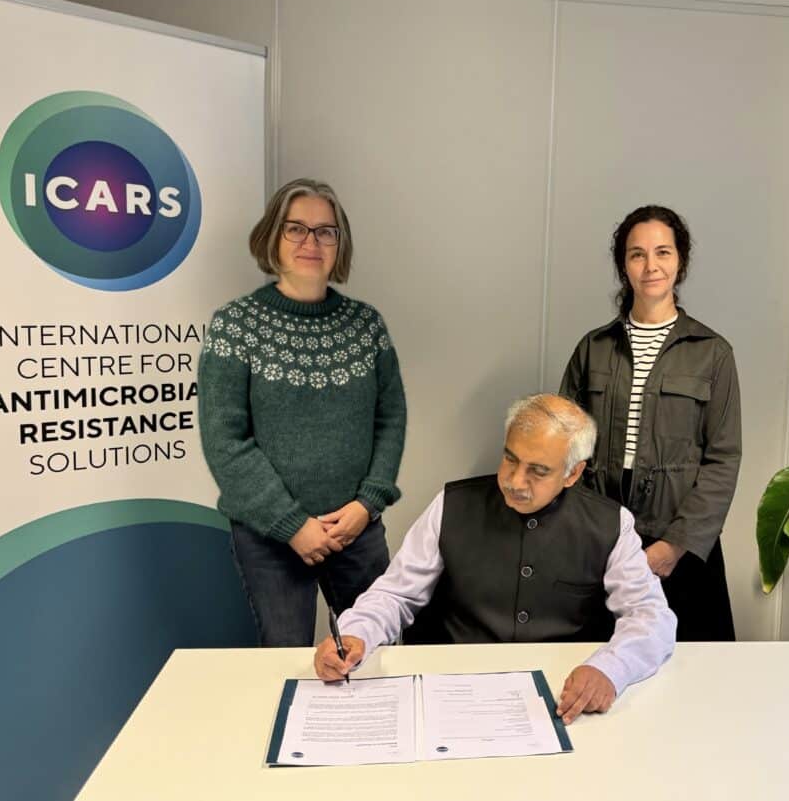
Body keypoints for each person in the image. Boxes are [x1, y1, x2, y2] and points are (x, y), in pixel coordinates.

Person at [314, 394, 676, 725]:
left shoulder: (611, 523)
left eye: (538, 470)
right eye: (510, 459)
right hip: (453, 689)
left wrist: (611, 669)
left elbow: (651, 616)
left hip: (559, 695)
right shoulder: (451, 504)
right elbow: (395, 594)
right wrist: (357, 633)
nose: (515, 481)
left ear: (573, 473)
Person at [198, 178, 406, 646]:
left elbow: (390, 421)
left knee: (376, 653)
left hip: (356, 530)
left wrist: (367, 504)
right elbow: (225, 440)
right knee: (287, 659)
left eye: (325, 231)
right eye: (296, 228)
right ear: (273, 236)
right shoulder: (235, 325)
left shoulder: (366, 325)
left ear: (340, 243)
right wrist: (293, 524)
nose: (311, 242)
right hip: (270, 538)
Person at [560, 205, 741, 641]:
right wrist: (589, 534)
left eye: (663, 252)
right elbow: (565, 448)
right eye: (637, 254)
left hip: (682, 547)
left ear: (680, 261)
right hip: (604, 544)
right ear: (624, 266)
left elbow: (723, 460)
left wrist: (674, 546)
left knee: (689, 668)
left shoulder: (712, 353)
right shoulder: (594, 348)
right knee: (599, 664)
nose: (650, 265)